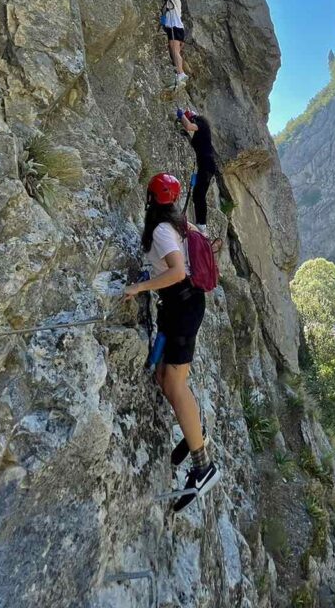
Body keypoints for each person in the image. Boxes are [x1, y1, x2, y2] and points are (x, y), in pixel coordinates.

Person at [123, 173, 220, 510]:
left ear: (151, 199)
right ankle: (197, 430)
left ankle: (202, 465)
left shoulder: (164, 230)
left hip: (182, 308)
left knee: (175, 385)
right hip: (182, 306)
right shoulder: (178, 224)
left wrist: (139, 288)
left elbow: (177, 271)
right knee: (166, 379)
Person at [176, 109, 218, 235]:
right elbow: (196, 145)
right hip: (205, 165)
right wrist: (188, 136)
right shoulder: (200, 134)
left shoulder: (201, 124)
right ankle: (200, 224)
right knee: (197, 195)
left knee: (199, 195)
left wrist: (181, 115)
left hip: (206, 165)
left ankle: (202, 226)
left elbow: (188, 126)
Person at [160, 0, 188, 86]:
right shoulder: (166, 6)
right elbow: (163, 20)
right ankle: (179, 72)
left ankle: (181, 73)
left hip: (175, 28)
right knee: (174, 51)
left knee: (175, 51)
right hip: (175, 29)